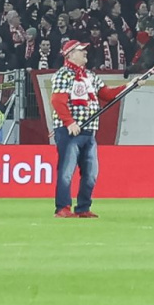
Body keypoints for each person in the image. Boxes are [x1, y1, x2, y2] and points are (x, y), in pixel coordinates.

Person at [50, 38, 101, 218]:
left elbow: (106, 93)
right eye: (81, 50)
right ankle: (62, 207)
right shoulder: (63, 75)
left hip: (89, 130)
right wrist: (69, 122)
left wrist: (129, 85)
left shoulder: (90, 76)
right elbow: (57, 100)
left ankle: (83, 207)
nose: (85, 52)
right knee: (66, 171)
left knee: (91, 172)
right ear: (70, 54)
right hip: (70, 131)